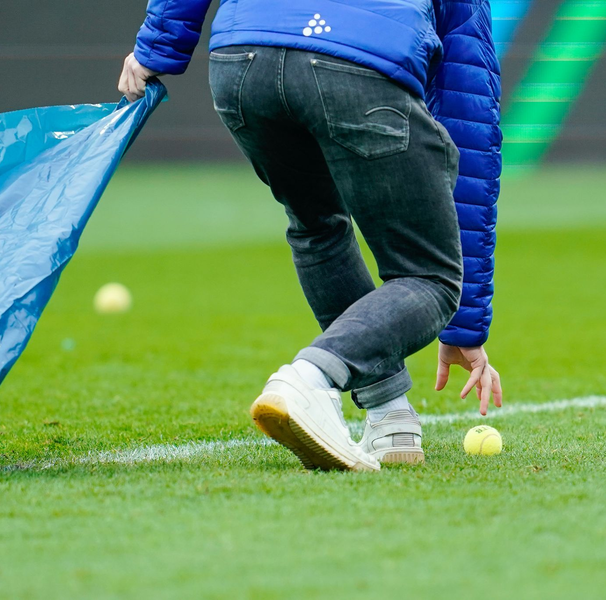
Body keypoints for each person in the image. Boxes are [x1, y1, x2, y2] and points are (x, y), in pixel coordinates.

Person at [119, 0, 503, 472]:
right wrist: (464, 323)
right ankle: (310, 378)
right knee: (431, 277)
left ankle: (390, 417)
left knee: (317, 226)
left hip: (243, 60)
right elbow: (467, 107)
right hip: (356, 59)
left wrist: (155, 48)